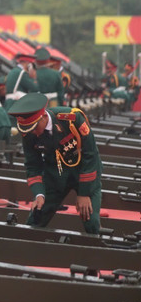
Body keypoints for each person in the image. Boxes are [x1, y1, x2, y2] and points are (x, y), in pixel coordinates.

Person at [8, 92, 102, 234]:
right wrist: (39, 194)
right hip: (55, 175)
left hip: (84, 173)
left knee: (91, 222)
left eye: (34, 128)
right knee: (35, 219)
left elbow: (91, 155)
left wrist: (84, 193)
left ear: (44, 117)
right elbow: (33, 165)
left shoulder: (72, 118)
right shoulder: (28, 132)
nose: (33, 134)